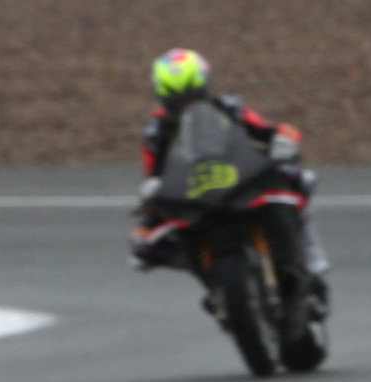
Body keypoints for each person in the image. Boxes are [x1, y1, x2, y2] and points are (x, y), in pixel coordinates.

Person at [130, 47, 330, 323]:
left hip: (240, 177)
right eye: (177, 101)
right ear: (163, 97)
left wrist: (283, 140)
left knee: (294, 183)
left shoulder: (229, 108)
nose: (186, 106)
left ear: (205, 87)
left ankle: (311, 263)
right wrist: (152, 191)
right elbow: (153, 171)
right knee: (147, 241)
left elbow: (270, 130)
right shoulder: (156, 130)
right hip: (195, 193)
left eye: (192, 96)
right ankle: (214, 286)